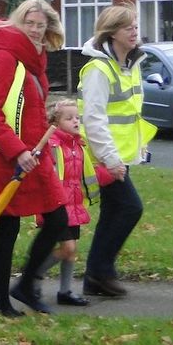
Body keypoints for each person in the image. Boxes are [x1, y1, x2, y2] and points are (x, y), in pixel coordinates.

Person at [0, 1, 68, 316]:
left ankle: (24, 285)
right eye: (29, 23)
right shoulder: (4, 57)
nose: (36, 30)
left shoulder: (34, 60)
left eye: (41, 25)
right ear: (16, 23)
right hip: (7, 157)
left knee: (58, 220)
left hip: (35, 155)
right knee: (7, 231)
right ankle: (2, 302)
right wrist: (18, 151)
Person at [78, 3, 157, 298]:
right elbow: (94, 118)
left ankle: (98, 275)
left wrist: (138, 148)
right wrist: (110, 159)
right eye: (128, 27)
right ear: (112, 34)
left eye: (136, 25)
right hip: (103, 157)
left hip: (120, 155)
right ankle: (99, 271)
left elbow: (131, 114)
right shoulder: (99, 70)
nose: (135, 31)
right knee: (129, 207)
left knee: (114, 212)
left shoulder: (130, 66)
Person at [37, 99, 114, 307]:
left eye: (77, 117)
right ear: (55, 122)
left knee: (71, 251)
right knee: (67, 249)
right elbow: (46, 176)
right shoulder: (52, 145)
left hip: (73, 206)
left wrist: (111, 174)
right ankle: (33, 275)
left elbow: (87, 175)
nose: (75, 121)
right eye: (69, 118)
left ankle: (65, 291)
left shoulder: (78, 145)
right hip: (57, 205)